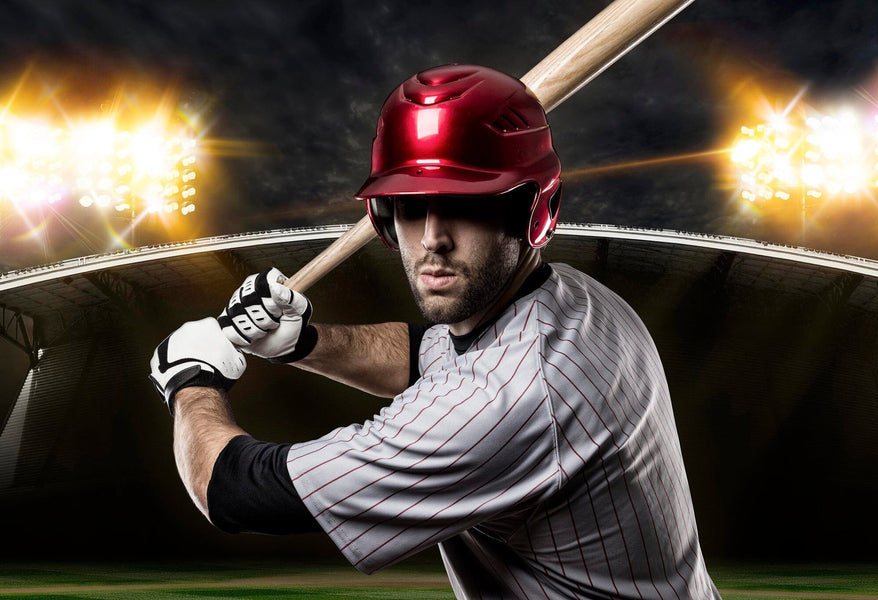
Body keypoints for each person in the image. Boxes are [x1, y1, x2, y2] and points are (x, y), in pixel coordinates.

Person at [150, 64, 721, 600]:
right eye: (413, 205)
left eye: (465, 203)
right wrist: (303, 342)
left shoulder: (501, 402)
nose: (431, 239)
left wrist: (192, 380)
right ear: (383, 216)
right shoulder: (575, 299)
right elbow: (428, 355)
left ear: (532, 213)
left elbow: (236, 493)